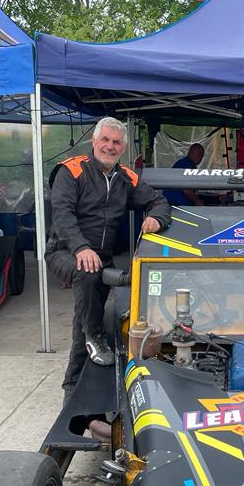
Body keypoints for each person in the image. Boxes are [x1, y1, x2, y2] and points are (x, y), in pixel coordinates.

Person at [46, 116, 171, 400]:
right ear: (94, 141)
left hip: (101, 258)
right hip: (65, 250)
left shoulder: (125, 177)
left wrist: (156, 218)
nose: (110, 146)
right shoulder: (71, 170)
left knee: (86, 315)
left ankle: (73, 389)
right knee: (88, 291)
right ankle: (95, 337)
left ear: (123, 147)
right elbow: (62, 215)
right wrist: (80, 247)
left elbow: (159, 201)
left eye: (116, 142)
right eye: (105, 140)